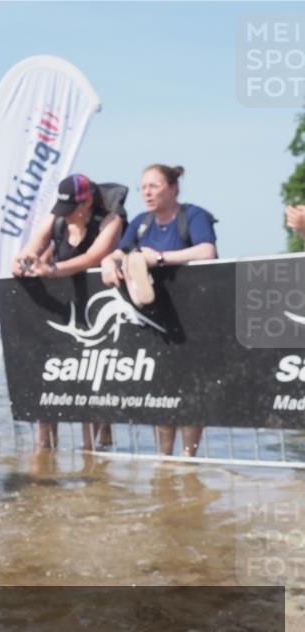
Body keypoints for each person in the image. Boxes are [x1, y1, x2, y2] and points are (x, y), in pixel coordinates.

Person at [100, 164, 217, 457]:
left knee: (192, 392)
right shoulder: (140, 222)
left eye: (154, 186)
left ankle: (189, 457)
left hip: (195, 319)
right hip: (154, 321)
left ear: (173, 188)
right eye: (143, 187)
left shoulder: (193, 216)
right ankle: (164, 457)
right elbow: (122, 251)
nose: (147, 193)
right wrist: (108, 261)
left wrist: (160, 259)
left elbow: (207, 251)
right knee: (162, 392)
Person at [11, 173, 125, 452]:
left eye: (71, 209)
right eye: (62, 209)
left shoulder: (110, 220)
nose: (66, 214)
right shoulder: (59, 218)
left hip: (97, 313)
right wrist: (24, 262)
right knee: (50, 386)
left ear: (86, 202)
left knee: (92, 389)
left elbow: (92, 258)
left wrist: (51, 270)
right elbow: (30, 249)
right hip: (62, 312)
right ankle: (44, 453)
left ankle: (94, 453)